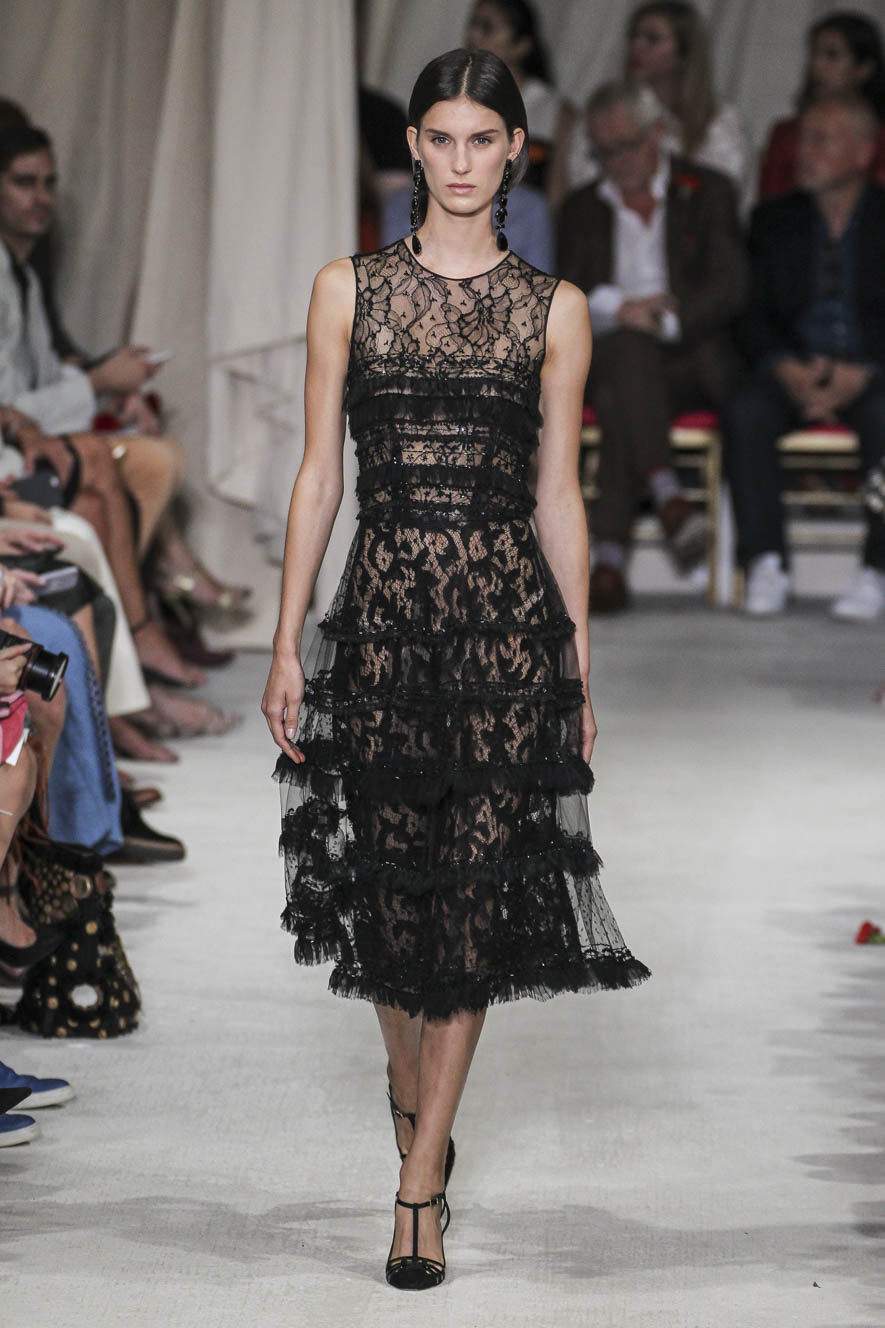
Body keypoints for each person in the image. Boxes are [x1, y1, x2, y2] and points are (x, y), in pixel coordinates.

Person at [262, 48, 649, 1291]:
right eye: (443, 137)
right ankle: (412, 1095)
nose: (462, 160)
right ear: (415, 147)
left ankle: (420, 1176)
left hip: (501, 627)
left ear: (517, 149)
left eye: (485, 138)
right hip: (380, 618)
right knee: (389, 896)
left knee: (471, 900)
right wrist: (285, 638)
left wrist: (576, 660)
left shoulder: (555, 308)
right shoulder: (347, 290)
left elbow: (558, 496)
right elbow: (318, 475)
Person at [557, 80, 747, 612]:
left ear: (658, 133)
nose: (616, 161)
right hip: (612, 352)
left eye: (627, 145)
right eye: (604, 150)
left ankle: (610, 559)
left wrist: (664, 320)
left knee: (621, 387)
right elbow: (563, 292)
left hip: (689, 356)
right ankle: (667, 497)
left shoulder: (707, 190)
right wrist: (621, 309)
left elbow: (732, 284)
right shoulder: (581, 208)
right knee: (626, 355)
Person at [723, 93, 885, 619]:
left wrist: (865, 372)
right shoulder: (773, 219)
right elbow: (749, 312)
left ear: (863, 152)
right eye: (803, 140)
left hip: (870, 369)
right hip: (792, 365)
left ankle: (878, 568)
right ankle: (765, 561)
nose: (804, 153)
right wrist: (785, 366)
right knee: (746, 411)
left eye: (821, 140)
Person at [553, 0, 747, 207]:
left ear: (684, 53)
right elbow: (582, 184)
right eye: (633, 37)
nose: (637, 47)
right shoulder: (603, 115)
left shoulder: (721, 123)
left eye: (652, 39)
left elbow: (720, 195)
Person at [759, 11, 885, 201]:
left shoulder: (880, 138)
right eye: (814, 54)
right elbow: (770, 206)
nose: (817, 65)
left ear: (864, 68)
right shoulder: (786, 133)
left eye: (832, 56)